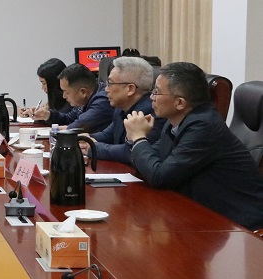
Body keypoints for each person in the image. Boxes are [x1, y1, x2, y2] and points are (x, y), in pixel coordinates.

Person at [124, 62, 263, 230]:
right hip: (202, 214)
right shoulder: (176, 121)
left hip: (240, 226)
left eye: (156, 92)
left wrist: (138, 138)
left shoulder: (204, 126)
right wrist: (135, 140)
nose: (151, 97)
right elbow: (148, 164)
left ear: (180, 103)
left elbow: (159, 176)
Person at [85, 57, 165, 164]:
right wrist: (83, 139)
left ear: (130, 89)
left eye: (110, 83)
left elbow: (132, 152)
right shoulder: (121, 108)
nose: (106, 89)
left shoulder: (151, 113)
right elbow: (107, 135)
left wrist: (94, 148)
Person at [33, 63, 114, 133]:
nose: (64, 96)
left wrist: (68, 128)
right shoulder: (84, 100)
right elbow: (68, 119)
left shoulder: (103, 101)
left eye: (67, 92)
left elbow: (80, 125)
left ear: (83, 92)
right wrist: (48, 115)